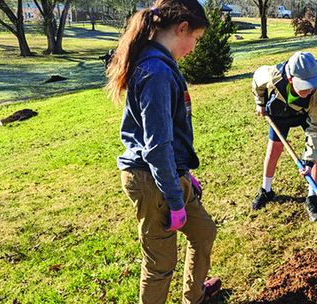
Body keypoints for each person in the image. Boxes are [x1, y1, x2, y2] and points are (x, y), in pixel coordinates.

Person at [105, 1, 220, 303]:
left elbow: (167, 135)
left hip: (167, 174)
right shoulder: (155, 71)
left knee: (204, 232)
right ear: (182, 28)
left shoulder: (160, 65)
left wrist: (185, 174)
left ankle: (194, 296)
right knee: (160, 263)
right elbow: (156, 147)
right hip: (151, 179)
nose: (194, 47)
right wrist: (173, 197)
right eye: (195, 38)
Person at [251, 51, 317, 222]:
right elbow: (257, 80)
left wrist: (308, 162)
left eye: (311, 85)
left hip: (306, 115)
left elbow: (316, 130)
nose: (308, 90)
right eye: (304, 85)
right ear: (291, 78)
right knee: (274, 149)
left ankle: (313, 197)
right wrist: (260, 102)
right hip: (280, 112)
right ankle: (266, 189)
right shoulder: (274, 75)